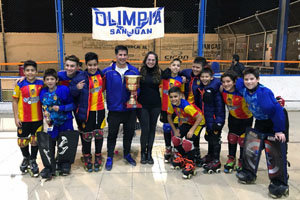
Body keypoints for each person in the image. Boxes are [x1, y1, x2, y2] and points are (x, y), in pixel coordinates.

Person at [235, 67, 289, 198]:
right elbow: (237, 82)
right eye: (246, 79)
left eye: (252, 79)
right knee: (253, 146)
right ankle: (249, 172)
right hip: (260, 120)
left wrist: (279, 130)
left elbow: (277, 111)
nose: (249, 82)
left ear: (258, 80)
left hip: (275, 121)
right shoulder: (242, 87)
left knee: (275, 151)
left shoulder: (264, 93)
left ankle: (280, 181)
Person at [102, 45, 140, 171]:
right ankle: (110, 156)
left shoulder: (134, 71)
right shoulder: (107, 72)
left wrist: (135, 95)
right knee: (112, 134)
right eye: (120, 55)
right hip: (114, 110)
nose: (122, 57)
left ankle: (127, 154)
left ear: (127, 56)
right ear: (116, 55)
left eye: (125, 55)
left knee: (128, 134)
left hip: (130, 110)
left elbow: (138, 88)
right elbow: (101, 87)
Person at [70, 52, 105, 172]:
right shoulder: (80, 78)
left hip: (100, 110)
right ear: (86, 64)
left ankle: (99, 155)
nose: (92, 67)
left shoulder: (101, 74)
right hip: (86, 112)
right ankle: (87, 156)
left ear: (98, 64)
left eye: (95, 65)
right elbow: (72, 92)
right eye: (90, 65)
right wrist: (76, 88)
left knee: (99, 133)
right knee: (87, 135)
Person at [39, 68, 74, 179]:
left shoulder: (63, 89)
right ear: (44, 80)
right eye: (47, 79)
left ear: (57, 80)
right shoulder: (43, 92)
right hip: (51, 123)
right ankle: (50, 164)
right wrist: (46, 117)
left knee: (65, 142)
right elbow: (44, 107)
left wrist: (61, 108)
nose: (50, 81)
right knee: (50, 142)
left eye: (52, 79)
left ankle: (64, 163)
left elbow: (72, 105)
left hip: (65, 121)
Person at [12, 60, 44, 177]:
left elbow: (53, 82)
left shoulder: (41, 84)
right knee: (22, 141)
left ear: (36, 71)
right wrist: (16, 117)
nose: (30, 73)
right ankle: (26, 157)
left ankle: (33, 160)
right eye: (27, 70)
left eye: (32, 70)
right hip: (23, 119)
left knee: (35, 141)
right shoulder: (19, 84)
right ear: (24, 72)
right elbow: (15, 101)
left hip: (38, 119)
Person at [220, 70, 253, 173]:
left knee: (243, 140)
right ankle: (231, 158)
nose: (226, 84)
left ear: (234, 82)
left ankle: (242, 160)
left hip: (246, 119)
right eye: (224, 82)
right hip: (233, 118)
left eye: (228, 81)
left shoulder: (242, 91)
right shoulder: (222, 90)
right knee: (232, 138)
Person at [167, 86, 203, 179]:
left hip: (198, 122)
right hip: (187, 122)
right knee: (175, 139)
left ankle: (191, 163)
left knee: (187, 143)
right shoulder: (172, 104)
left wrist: (192, 130)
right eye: (171, 97)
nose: (173, 99)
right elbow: (169, 117)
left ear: (180, 96)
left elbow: (199, 117)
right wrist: (175, 130)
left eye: (175, 96)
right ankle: (183, 157)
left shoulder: (186, 107)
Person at [195, 67, 225, 173]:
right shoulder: (201, 89)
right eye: (202, 77)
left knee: (215, 139)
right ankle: (210, 155)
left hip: (215, 119)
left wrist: (219, 121)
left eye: (207, 76)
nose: (204, 79)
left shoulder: (215, 90)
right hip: (206, 119)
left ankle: (216, 160)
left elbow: (220, 107)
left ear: (211, 78)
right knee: (209, 137)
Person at [180, 57, 206, 166]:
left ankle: (196, 153)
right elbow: (174, 71)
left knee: (195, 133)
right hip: (186, 110)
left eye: (198, 67)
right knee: (185, 132)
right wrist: (181, 77)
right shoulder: (187, 73)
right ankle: (186, 153)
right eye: (193, 66)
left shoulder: (204, 78)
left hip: (198, 111)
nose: (195, 69)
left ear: (203, 68)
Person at [137, 51, 161, 164]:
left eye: (153, 60)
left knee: (152, 129)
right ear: (145, 60)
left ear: (156, 62)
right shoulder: (140, 71)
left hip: (156, 105)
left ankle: (149, 153)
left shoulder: (160, 73)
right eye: (149, 59)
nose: (151, 62)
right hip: (143, 105)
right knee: (145, 129)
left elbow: (174, 72)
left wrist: (183, 77)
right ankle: (142, 152)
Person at [160, 58, 185, 163]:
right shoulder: (164, 78)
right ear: (170, 66)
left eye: (178, 65)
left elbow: (182, 95)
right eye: (174, 65)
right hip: (165, 108)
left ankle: (176, 149)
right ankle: (168, 148)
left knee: (176, 130)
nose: (176, 67)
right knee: (166, 128)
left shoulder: (181, 80)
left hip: (176, 110)